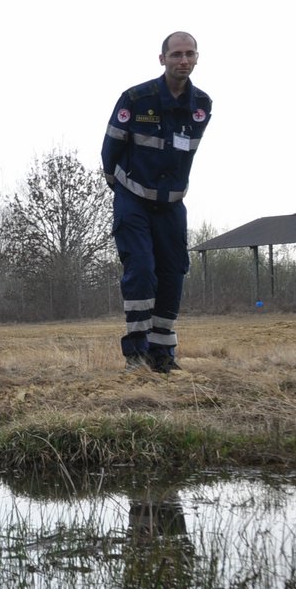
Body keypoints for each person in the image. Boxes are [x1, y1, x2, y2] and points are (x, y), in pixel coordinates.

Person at [102, 32, 212, 372]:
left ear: (197, 58)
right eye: (176, 54)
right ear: (162, 58)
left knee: (174, 271)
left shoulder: (202, 105)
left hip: (172, 205)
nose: (183, 60)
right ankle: (136, 354)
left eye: (189, 54)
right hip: (132, 199)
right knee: (141, 270)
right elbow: (110, 152)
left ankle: (162, 355)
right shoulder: (135, 98)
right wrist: (123, 189)